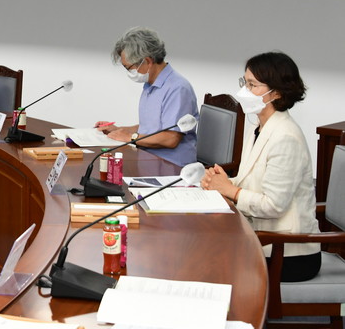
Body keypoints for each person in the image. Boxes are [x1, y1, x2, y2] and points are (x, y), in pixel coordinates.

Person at [201, 51, 320, 282]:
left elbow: (273, 205)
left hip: (287, 252)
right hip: (262, 240)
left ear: (276, 93)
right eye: (244, 83)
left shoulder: (286, 137)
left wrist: (230, 190)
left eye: (252, 85)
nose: (244, 91)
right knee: (202, 247)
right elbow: (252, 182)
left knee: (209, 258)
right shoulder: (259, 127)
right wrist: (219, 181)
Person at [96, 27, 198, 166]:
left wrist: (130, 137)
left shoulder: (177, 88)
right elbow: (152, 127)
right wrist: (120, 130)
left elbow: (171, 138)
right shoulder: (150, 85)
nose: (129, 72)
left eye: (129, 68)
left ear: (148, 61)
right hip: (148, 160)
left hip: (171, 167)